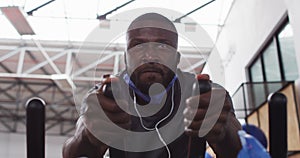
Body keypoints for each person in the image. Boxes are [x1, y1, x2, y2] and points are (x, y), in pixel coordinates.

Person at [63, 12, 242, 158]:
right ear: (126, 58)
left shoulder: (204, 95)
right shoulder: (106, 96)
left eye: (163, 46)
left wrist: (223, 131)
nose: (150, 56)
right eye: (138, 46)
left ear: (177, 59)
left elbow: (240, 150)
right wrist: (87, 135)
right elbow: (71, 151)